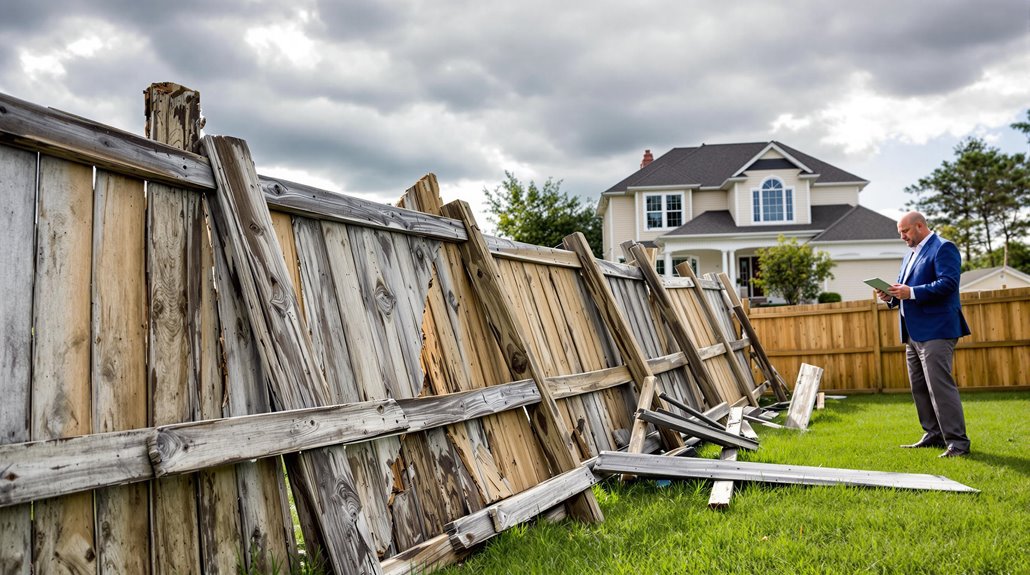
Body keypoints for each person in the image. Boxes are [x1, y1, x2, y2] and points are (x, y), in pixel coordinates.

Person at [877, 211, 971, 457]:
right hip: (912, 332)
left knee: (939, 387)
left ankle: (958, 443)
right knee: (919, 387)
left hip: (937, 329)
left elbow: (949, 283)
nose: (902, 237)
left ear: (920, 226)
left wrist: (912, 292)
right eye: (900, 233)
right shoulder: (909, 254)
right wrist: (891, 296)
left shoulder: (943, 248)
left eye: (905, 231)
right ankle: (933, 434)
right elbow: (903, 289)